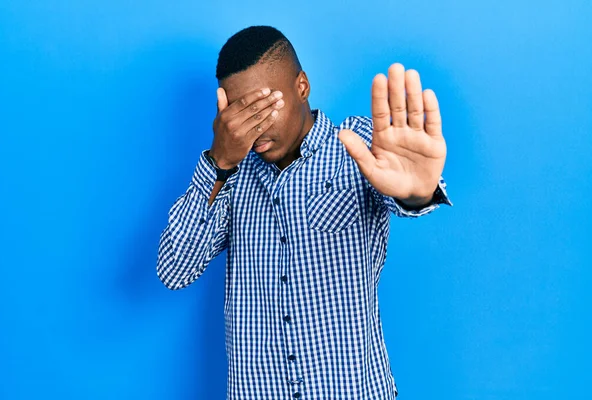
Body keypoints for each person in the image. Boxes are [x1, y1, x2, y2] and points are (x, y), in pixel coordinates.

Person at [156, 25, 452, 400]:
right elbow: (174, 271)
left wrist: (417, 193)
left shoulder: (358, 145)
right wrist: (218, 164)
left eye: (265, 107)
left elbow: (405, 191)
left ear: (301, 86)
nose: (255, 128)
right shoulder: (230, 176)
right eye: (239, 114)